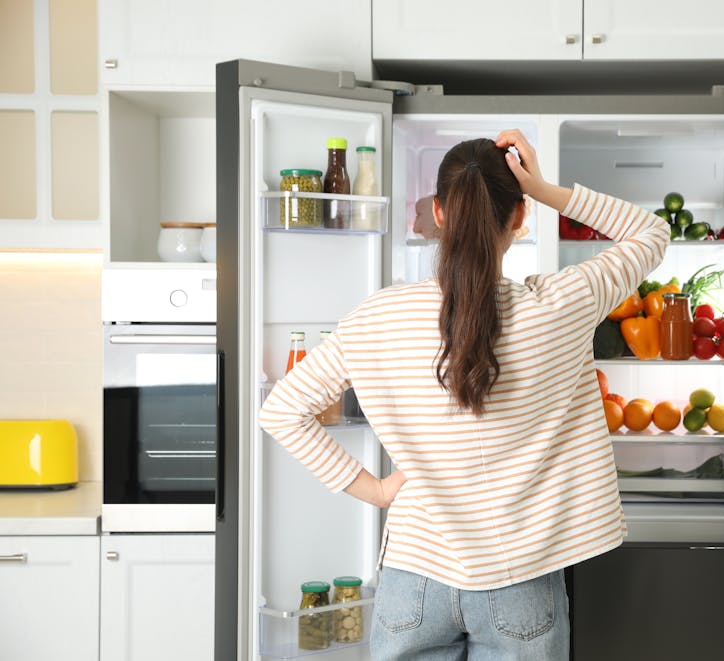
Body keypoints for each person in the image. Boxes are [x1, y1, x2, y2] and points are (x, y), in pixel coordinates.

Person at [259, 129, 670, 660]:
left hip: (414, 578)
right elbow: (651, 233)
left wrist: (379, 492)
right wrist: (543, 188)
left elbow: (283, 412)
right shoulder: (565, 303)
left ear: (438, 212)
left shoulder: (378, 316)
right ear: (519, 219)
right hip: (521, 578)